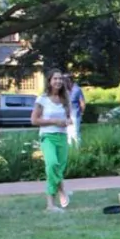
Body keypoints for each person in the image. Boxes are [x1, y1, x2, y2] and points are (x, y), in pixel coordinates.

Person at [32, 69, 73, 212]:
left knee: (59, 168)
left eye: (60, 79)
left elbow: (69, 118)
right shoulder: (42, 98)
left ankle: (58, 194)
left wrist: (67, 121)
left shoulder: (65, 98)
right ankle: (53, 201)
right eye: (55, 78)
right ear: (49, 81)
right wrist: (55, 121)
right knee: (52, 165)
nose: (58, 81)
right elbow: (34, 120)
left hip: (62, 137)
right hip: (47, 137)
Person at [66, 75, 85, 145]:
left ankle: (78, 150)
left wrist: (81, 113)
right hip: (67, 115)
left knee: (75, 133)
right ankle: (70, 151)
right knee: (68, 134)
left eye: (66, 81)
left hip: (75, 114)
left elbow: (82, 103)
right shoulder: (66, 90)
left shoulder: (77, 90)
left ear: (69, 81)